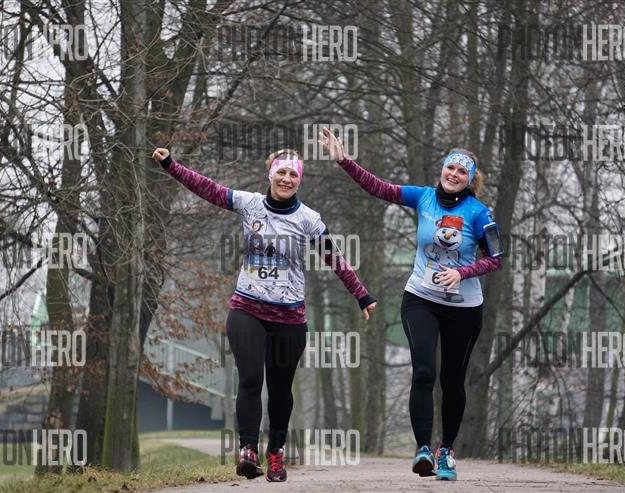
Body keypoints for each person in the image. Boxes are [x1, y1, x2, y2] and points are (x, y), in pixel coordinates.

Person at [152, 146, 377, 482]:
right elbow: (208, 188)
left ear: (299, 180)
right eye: (281, 172)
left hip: (289, 318)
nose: (286, 179)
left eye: (293, 174)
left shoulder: (309, 219)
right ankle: (247, 450)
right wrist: (171, 165)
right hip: (248, 308)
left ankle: (276, 453)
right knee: (250, 379)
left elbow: (335, 259)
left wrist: (361, 294)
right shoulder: (250, 204)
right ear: (270, 173)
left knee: (281, 389)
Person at [319, 128, 503, 481]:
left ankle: (446, 451)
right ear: (443, 169)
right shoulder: (423, 198)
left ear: (470, 180)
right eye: (450, 167)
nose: (453, 174)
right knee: (423, 372)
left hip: (464, 308)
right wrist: (344, 161)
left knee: (452, 380)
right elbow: (378, 187)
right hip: (421, 298)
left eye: (461, 172)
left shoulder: (479, 213)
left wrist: (462, 272)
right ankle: (422, 450)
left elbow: (496, 258)